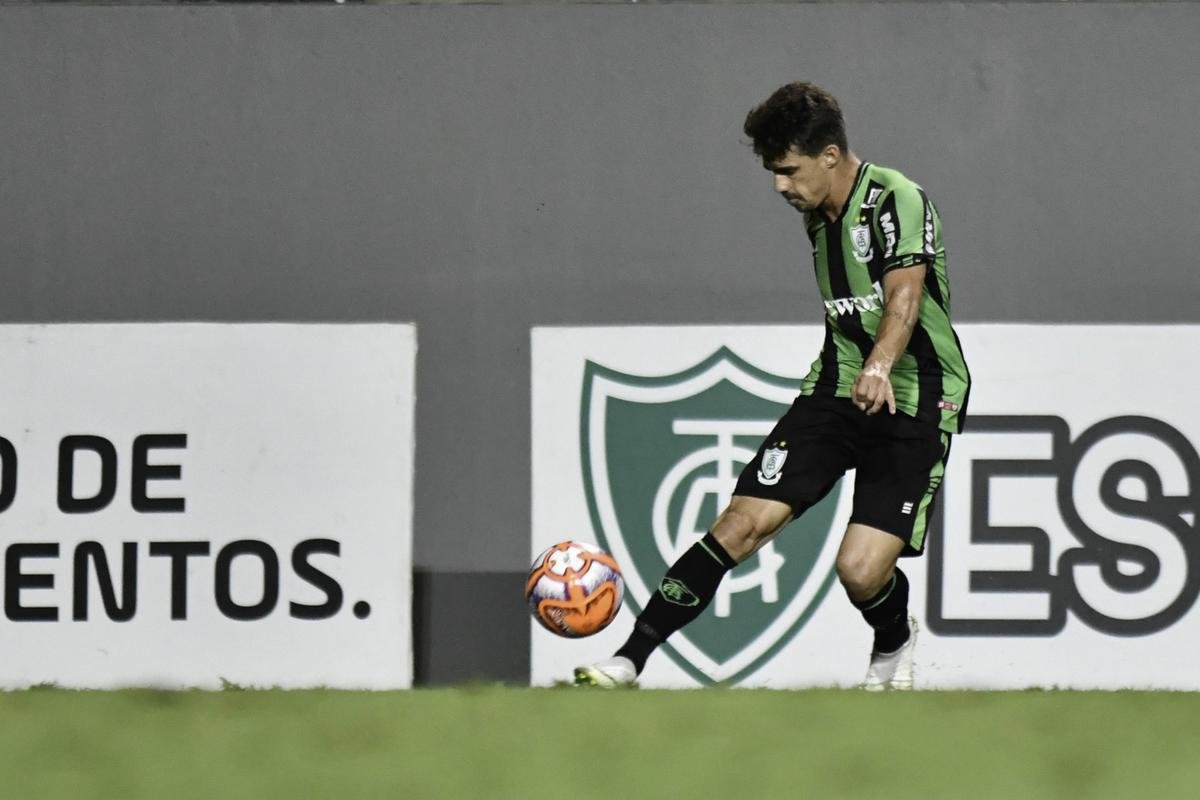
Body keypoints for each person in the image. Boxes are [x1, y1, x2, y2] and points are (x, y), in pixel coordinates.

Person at [574, 81, 971, 690]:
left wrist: (879, 365)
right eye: (774, 172)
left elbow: (904, 297)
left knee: (860, 571)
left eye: (788, 170)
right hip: (836, 389)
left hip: (917, 395)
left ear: (830, 156)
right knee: (738, 525)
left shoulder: (896, 197)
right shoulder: (817, 216)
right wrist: (859, 370)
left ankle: (894, 637)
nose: (779, 186)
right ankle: (628, 660)